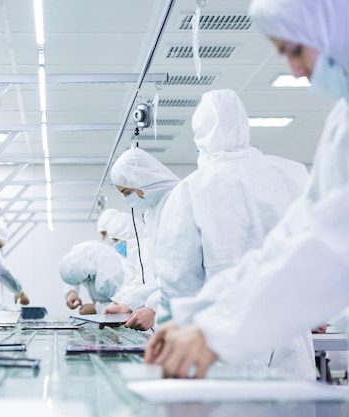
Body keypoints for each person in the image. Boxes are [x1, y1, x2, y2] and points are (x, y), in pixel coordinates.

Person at [145, 0, 349, 379]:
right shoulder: (336, 129)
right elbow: (289, 243)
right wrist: (197, 320)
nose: (295, 68)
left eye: (295, 49)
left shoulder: (193, 190)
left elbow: (328, 247)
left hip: (248, 347)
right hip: (284, 344)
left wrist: (209, 329)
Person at [153, 88, 314, 379]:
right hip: (293, 351)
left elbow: (177, 286)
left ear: (199, 136)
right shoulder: (294, 175)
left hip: (222, 353)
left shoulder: (192, 190)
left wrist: (169, 337)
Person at [102, 147, 179, 330]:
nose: (126, 199)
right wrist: (128, 304)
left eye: (127, 192)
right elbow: (159, 278)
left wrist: (153, 307)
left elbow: (181, 272)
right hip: (169, 309)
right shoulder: (152, 212)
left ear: (142, 181)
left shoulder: (176, 203)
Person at [59, 240, 124, 315]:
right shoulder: (79, 254)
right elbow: (70, 272)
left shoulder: (110, 275)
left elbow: (124, 306)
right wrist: (71, 292)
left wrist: (96, 308)